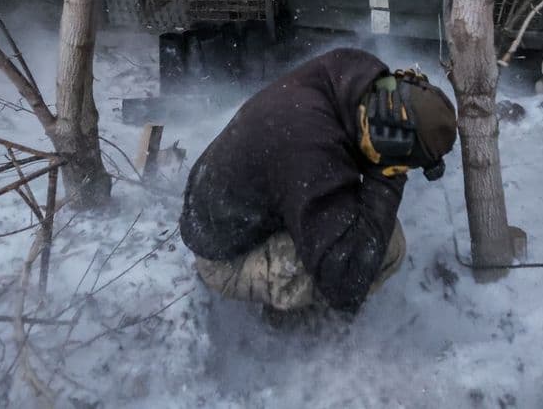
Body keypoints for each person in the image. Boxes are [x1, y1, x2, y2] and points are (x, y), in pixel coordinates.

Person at [179, 47, 458, 316]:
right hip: (225, 259)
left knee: (364, 220)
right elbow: (346, 281)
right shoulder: (311, 149)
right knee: (384, 247)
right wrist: (385, 174)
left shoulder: (356, 78)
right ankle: (299, 328)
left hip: (228, 210)